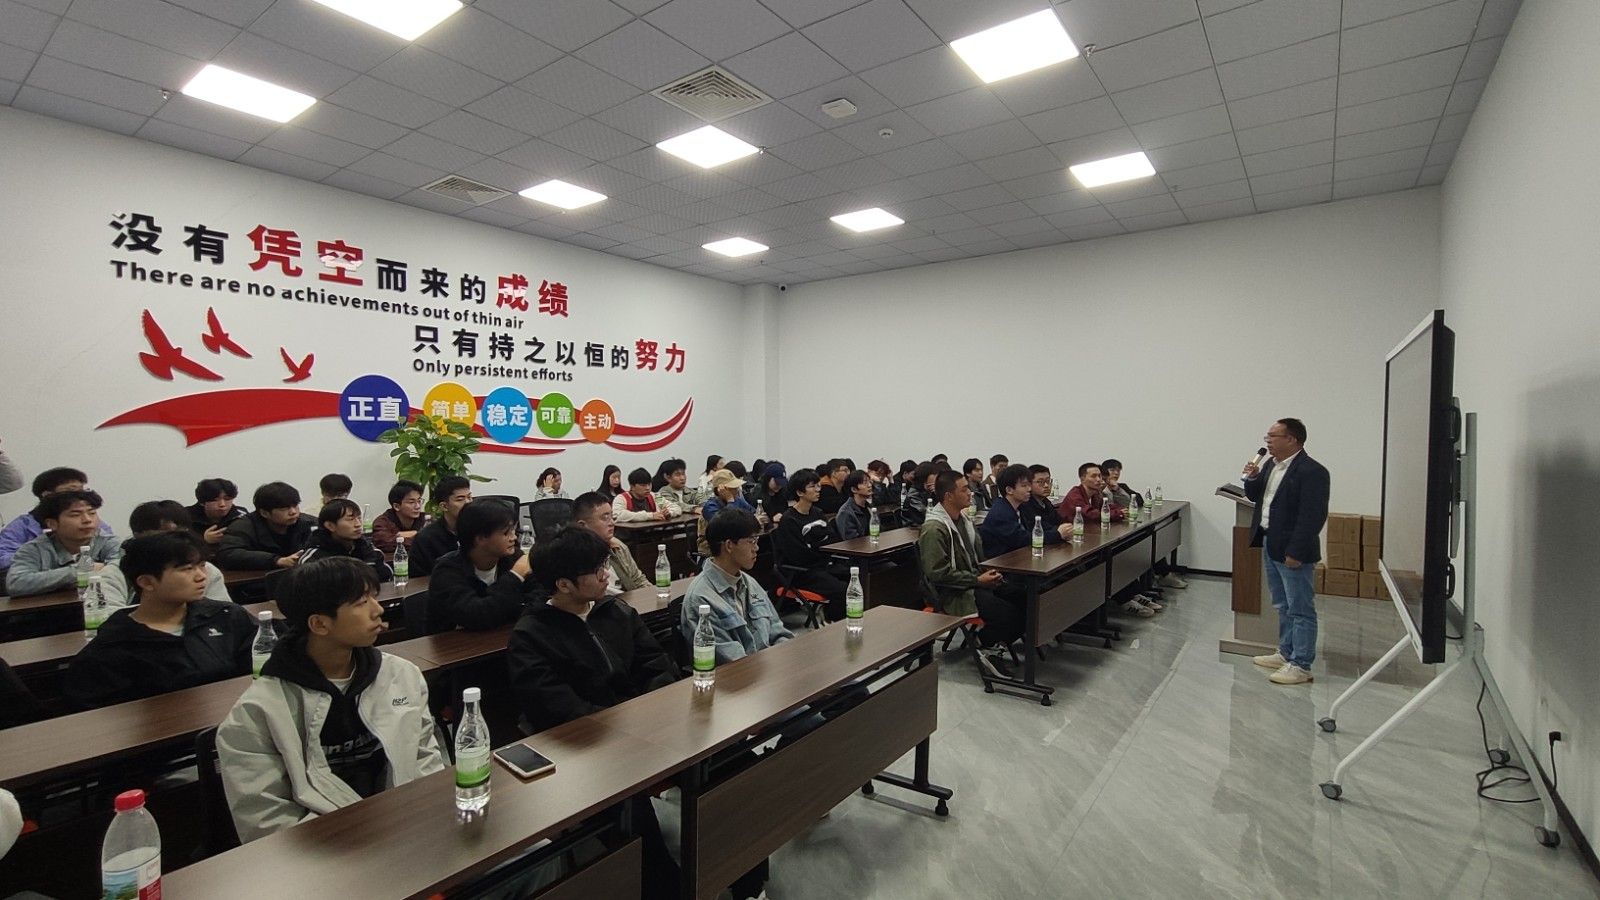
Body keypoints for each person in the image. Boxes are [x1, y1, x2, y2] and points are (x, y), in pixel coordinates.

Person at [217, 557, 447, 842]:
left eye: (373, 598)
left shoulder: (400, 674)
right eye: (361, 602)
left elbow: (425, 758)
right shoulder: (257, 712)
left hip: (406, 827)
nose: (378, 610)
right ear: (319, 624)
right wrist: (354, 842)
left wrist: (423, 818)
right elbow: (267, 820)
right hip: (322, 848)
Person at [505, 527, 680, 898]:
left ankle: (738, 870)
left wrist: (654, 715)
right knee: (634, 815)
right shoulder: (531, 635)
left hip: (646, 730)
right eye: (597, 570)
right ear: (564, 584)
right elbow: (560, 711)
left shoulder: (615, 611)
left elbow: (656, 665)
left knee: (729, 764)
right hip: (586, 751)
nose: (606, 575)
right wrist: (629, 732)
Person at [61, 531, 255, 709]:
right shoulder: (113, 646)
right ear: (146, 582)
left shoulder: (226, 615)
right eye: (187, 569)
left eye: (202, 565)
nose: (201, 576)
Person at [1244, 418, 1330, 686]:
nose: (1267, 441)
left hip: (1293, 550)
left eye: (1273, 436)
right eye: (1267, 436)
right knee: (1282, 604)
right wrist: (1252, 477)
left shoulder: (1312, 471)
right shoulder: (1271, 465)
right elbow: (1256, 497)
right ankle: (1285, 652)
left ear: (1292, 439)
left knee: (1300, 608)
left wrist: (1297, 551)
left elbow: (1312, 516)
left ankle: (1301, 664)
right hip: (1270, 542)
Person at [919, 470, 1023, 677]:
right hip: (953, 591)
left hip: (974, 581)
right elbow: (937, 574)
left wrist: (988, 573)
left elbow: (976, 558)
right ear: (949, 496)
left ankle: (988, 642)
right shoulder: (934, 528)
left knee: (1025, 597)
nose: (971, 493)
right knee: (1006, 613)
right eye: (964, 489)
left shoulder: (964, 520)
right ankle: (988, 647)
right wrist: (977, 580)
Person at [682, 508, 794, 662]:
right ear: (729, 545)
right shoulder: (701, 599)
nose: (756, 548)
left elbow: (778, 632)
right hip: (740, 673)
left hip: (768, 666)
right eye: (751, 541)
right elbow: (730, 659)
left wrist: (786, 659)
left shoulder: (749, 582)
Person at [100, 501, 232, 607]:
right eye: (164, 535)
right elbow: (107, 616)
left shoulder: (206, 570)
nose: (174, 542)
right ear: (138, 536)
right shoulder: (115, 572)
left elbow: (223, 612)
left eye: (181, 534)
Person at [426, 499, 532, 631]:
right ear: (480, 538)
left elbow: (537, 597)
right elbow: (477, 616)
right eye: (506, 533)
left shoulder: (513, 558)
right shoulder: (447, 571)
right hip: (458, 642)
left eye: (513, 530)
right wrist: (515, 576)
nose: (514, 537)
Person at [5, 490, 122, 597]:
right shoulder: (34, 549)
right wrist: (78, 571)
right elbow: (16, 584)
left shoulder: (109, 542)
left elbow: (120, 571)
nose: (87, 520)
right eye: (75, 515)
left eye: (92, 513)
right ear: (52, 524)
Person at [771, 470, 848, 621]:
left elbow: (832, 539)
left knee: (857, 576)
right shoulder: (789, 520)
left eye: (818, 486)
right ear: (799, 492)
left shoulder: (818, 513)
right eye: (812, 486)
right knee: (842, 589)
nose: (818, 490)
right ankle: (832, 621)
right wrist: (822, 551)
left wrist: (820, 550)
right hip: (802, 572)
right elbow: (798, 555)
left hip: (822, 565)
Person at [0, 466, 112, 569]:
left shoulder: (92, 522)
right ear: (47, 495)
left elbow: (112, 551)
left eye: (82, 490)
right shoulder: (22, 526)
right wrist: (45, 560)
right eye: (71, 491)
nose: (79, 496)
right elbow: (3, 558)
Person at [1104, 459, 1188, 590]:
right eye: (1112, 470)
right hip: (1112, 529)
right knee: (1142, 541)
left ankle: (1161, 575)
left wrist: (1118, 489)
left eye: (1118, 470)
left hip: (1125, 525)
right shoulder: (1101, 490)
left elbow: (1138, 501)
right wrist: (1110, 490)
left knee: (1150, 536)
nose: (1116, 473)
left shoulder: (1122, 487)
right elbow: (1108, 506)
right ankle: (1144, 581)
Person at [216, 482, 315, 571]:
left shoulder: (308, 522)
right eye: (284, 508)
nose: (293, 512)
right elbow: (228, 554)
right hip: (258, 580)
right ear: (264, 513)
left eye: (295, 505)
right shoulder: (243, 526)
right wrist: (276, 560)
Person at [980, 464, 1071, 554]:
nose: (1029, 489)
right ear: (1009, 490)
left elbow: (1037, 528)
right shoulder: (1001, 514)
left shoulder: (1018, 507)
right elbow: (1023, 540)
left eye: (1029, 485)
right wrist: (1057, 534)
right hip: (1002, 560)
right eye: (1024, 486)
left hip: (1019, 555)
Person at [571, 492, 648, 596]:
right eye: (605, 518)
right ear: (582, 525)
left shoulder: (618, 546)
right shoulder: (575, 556)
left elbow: (638, 580)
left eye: (611, 516)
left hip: (628, 601)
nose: (612, 523)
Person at [300, 499, 393, 580]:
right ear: (330, 526)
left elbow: (387, 576)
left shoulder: (366, 547)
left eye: (359, 518)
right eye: (350, 519)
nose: (358, 524)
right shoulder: (314, 558)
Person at [410, 476, 471, 576]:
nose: (468, 502)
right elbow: (417, 577)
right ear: (444, 506)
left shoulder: (478, 531)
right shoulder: (426, 538)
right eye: (460, 499)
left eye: (469, 497)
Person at [697, 470, 761, 555]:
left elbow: (752, 512)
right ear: (721, 489)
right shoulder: (710, 507)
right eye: (733, 488)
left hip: (735, 545)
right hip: (713, 552)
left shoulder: (737, 500)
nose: (737, 490)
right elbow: (726, 525)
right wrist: (730, 501)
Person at [186, 477, 246, 547]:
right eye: (215, 500)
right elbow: (177, 544)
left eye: (227, 499)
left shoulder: (241, 515)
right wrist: (204, 540)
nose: (222, 504)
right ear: (202, 502)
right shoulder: (185, 515)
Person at [371, 480, 426, 555]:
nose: (418, 506)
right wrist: (419, 536)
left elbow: (434, 537)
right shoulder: (382, 522)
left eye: (419, 501)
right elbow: (385, 543)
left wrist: (403, 536)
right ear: (396, 506)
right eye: (411, 502)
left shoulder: (426, 519)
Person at [1059, 462, 1124, 526]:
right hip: (1071, 530)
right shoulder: (1075, 495)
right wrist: (1118, 513)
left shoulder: (1095, 494)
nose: (1098, 479)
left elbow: (1106, 507)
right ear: (1082, 479)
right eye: (1093, 476)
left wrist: (1122, 510)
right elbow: (1091, 515)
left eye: (1099, 476)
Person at [1019, 464, 1065, 538]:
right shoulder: (1025, 504)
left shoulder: (1046, 502)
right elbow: (1038, 529)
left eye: (1048, 481)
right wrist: (1059, 531)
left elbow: (1058, 521)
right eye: (1040, 482)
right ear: (1029, 484)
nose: (1046, 485)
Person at [833, 470, 875, 540]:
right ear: (854, 489)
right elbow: (852, 541)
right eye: (865, 483)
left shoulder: (869, 506)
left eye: (870, 482)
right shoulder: (846, 512)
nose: (869, 485)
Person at [901, 461, 939, 527]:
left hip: (928, 525)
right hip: (913, 529)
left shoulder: (930, 491)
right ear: (924, 481)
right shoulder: (913, 495)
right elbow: (929, 515)